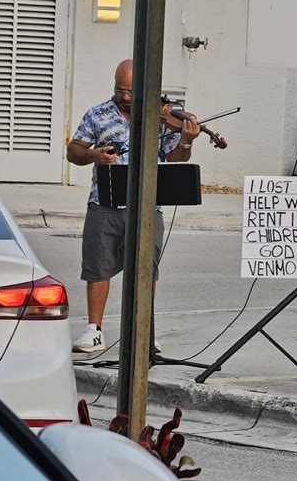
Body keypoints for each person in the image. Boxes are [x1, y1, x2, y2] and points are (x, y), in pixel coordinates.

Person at [67, 59, 201, 353]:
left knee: (145, 270)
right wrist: (94, 155)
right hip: (104, 201)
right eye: (119, 90)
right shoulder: (98, 114)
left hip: (147, 205)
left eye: (131, 91)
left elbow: (176, 159)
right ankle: (94, 330)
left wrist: (187, 142)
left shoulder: (159, 118)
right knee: (97, 267)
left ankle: (144, 329)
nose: (125, 97)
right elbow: (73, 152)